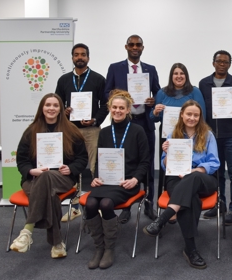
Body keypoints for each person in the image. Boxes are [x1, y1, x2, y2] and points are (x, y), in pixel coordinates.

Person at [143, 100, 219, 270]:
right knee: (191, 200)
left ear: (200, 117)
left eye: (196, 115)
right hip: (176, 178)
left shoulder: (208, 135)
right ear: (182, 115)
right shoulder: (173, 135)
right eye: (189, 114)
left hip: (202, 179)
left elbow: (214, 163)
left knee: (192, 179)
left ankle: (165, 217)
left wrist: (194, 171)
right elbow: (164, 165)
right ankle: (191, 249)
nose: (192, 118)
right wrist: (166, 154)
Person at [10, 93, 88, 258]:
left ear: (60, 109)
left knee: (47, 178)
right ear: (42, 108)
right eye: (48, 105)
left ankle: (27, 231)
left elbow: (82, 158)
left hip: (62, 177)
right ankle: (57, 243)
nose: (51, 108)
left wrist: (71, 168)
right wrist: (31, 171)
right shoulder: (31, 131)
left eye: (55, 105)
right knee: (50, 194)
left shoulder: (72, 130)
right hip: (33, 179)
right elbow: (21, 160)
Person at [84, 90, 149, 269]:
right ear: (110, 109)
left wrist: (136, 179)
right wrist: (96, 177)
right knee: (89, 204)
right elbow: (98, 159)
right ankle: (99, 248)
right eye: (114, 107)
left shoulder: (138, 131)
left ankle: (109, 249)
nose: (118, 111)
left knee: (105, 204)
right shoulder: (104, 132)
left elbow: (145, 161)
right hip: (106, 181)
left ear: (128, 110)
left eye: (122, 108)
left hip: (126, 183)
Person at [104, 34, 161, 223]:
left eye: (138, 45)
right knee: (125, 163)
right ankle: (126, 205)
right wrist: (122, 95)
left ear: (142, 48)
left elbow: (157, 93)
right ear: (126, 47)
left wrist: (153, 101)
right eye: (132, 44)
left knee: (148, 163)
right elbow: (107, 93)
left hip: (145, 122)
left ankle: (149, 204)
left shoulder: (150, 69)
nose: (135, 47)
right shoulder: (115, 68)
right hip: (123, 124)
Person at [55, 43, 108, 222]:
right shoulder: (63, 80)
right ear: (72, 58)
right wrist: (64, 112)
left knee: (95, 166)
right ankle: (75, 207)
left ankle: (98, 204)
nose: (80, 57)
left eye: (83, 55)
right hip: (70, 130)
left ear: (88, 58)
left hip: (92, 130)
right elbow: (57, 104)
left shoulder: (98, 79)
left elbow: (105, 105)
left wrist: (95, 120)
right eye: (76, 55)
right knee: (73, 166)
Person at [199, 50, 232, 225]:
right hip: (211, 135)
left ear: (230, 64)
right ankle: (218, 203)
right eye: (219, 61)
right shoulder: (204, 83)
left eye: (225, 62)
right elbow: (202, 110)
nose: (222, 64)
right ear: (213, 63)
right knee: (216, 172)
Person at [150, 63, 206, 201]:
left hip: (189, 136)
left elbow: (203, 114)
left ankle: (184, 196)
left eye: (182, 73)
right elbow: (153, 118)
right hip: (168, 136)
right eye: (176, 73)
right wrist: (155, 112)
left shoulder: (194, 91)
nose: (179, 76)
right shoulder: (162, 93)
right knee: (167, 168)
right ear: (171, 76)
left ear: (186, 76)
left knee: (187, 166)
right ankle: (163, 200)